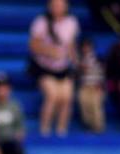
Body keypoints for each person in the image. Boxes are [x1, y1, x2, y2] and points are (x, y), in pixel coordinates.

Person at [28, 0, 80, 136]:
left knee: (67, 97)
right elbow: (33, 45)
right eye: (55, 4)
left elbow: (71, 44)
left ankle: (61, 130)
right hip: (44, 67)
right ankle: (44, 129)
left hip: (63, 67)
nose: (58, 7)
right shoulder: (41, 22)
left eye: (61, 4)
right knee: (53, 95)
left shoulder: (71, 22)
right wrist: (50, 51)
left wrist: (76, 61)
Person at [78, 38, 108, 132]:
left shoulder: (99, 59)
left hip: (96, 86)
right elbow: (75, 77)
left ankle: (98, 126)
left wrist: (101, 85)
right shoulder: (79, 60)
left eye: (88, 47)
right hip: (84, 87)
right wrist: (80, 69)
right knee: (84, 103)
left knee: (95, 104)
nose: (86, 49)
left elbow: (104, 73)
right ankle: (89, 125)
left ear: (92, 47)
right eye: (84, 47)